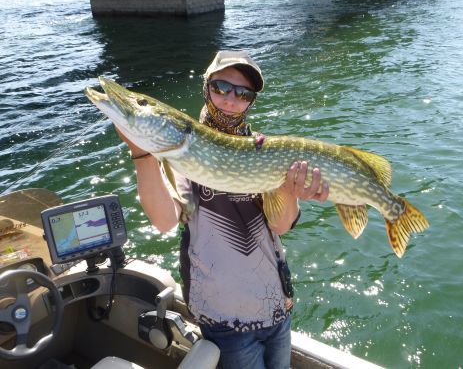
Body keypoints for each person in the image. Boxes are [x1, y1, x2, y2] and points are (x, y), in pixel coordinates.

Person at [116, 50, 330, 369]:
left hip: (277, 308)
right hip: (226, 320)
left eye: (243, 93)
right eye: (221, 88)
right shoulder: (183, 151)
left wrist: (288, 190)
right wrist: (142, 154)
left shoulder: (264, 150)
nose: (231, 100)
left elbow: (281, 226)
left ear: (250, 101)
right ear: (206, 87)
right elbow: (163, 220)